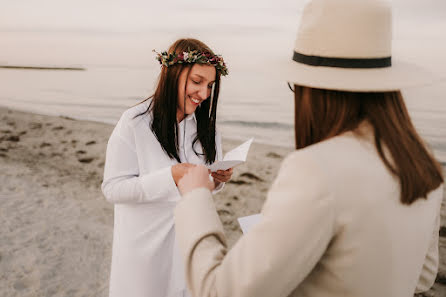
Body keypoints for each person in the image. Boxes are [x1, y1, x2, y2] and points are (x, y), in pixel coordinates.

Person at [173, 1, 444, 296]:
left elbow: (219, 290)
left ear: (312, 89)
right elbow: (423, 277)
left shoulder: (316, 169)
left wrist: (196, 197)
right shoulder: (423, 165)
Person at [101, 38, 233, 297]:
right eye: (197, 82)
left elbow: (203, 188)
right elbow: (113, 189)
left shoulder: (207, 129)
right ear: (172, 74)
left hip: (189, 244)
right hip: (144, 249)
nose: (204, 94)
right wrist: (170, 177)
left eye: (209, 85)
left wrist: (218, 179)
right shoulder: (135, 122)